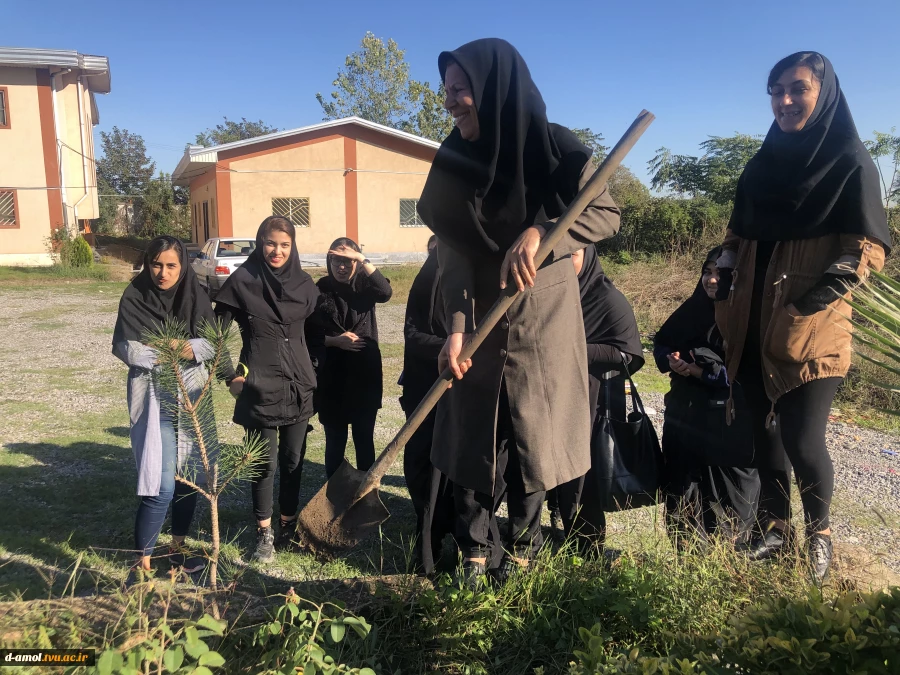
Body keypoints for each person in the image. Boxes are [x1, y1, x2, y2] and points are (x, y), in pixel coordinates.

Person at [416, 38, 621, 586]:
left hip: (542, 327)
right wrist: (456, 331)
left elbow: (605, 214)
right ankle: (475, 557)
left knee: (534, 439)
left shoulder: (557, 149)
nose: (451, 101)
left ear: (494, 88)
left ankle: (525, 555)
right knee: (474, 444)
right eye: (448, 90)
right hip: (480, 322)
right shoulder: (455, 159)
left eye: (461, 89)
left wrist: (543, 233)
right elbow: (455, 256)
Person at [714, 51, 890, 583]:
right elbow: (735, 236)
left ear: (824, 92)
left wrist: (802, 308)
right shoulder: (761, 165)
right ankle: (774, 529)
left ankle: (820, 536)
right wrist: (719, 269)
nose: (784, 101)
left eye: (797, 89)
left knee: (802, 438)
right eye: (775, 91)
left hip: (811, 333)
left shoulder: (850, 161)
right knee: (762, 435)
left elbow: (865, 249)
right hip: (747, 325)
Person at [214, 216, 320, 564]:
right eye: (270, 243)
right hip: (259, 384)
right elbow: (213, 333)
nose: (277, 250)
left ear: (293, 247)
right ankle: (263, 532)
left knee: (293, 461)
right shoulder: (243, 281)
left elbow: (316, 333)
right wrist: (230, 376)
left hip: (298, 385)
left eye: (284, 244)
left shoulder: (305, 284)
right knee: (264, 463)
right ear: (260, 243)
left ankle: (288, 524)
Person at [113, 235, 217, 584]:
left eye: (171, 265)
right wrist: (166, 350)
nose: (163, 272)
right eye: (156, 264)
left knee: (187, 477)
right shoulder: (135, 295)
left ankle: (178, 549)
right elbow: (125, 347)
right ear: (147, 263)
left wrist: (187, 348)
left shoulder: (195, 293)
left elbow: (211, 343)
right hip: (154, 393)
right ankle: (140, 562)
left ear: (182, 266)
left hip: (191, 394)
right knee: (160, 483)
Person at [654, 248, 760, 547]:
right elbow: (662, 343)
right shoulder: (693, 309)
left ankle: (727, 562)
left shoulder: (748, 317)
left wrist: (703, 374)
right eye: (707, 272)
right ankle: (686, 558)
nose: (712, 280)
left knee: (727, 496)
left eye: (720, 273)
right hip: (683, 414)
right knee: (681, 489)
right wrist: (673, 361)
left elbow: (749, 373)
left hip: (727, 420)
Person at [547, 247, 645, 547]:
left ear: (588, 257)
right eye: (559, 257)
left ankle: (587, 550)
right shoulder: (553, 294)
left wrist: (575, 348)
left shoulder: (607, 299)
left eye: (573, 255)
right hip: (553, 396)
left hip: (591, 403)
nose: (566, 263)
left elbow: (629, 354)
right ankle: (558, 529)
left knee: (583, 479)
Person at [310, 237, 392, 479]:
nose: (342, 267)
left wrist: (362, 258)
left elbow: (386, 292)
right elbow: (308, 334)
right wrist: (335, 341)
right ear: (329, 260)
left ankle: (364, 494)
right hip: (332, 374)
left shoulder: (366, 287)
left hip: (364, 374)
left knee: (364, 437)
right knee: (335, 439)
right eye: (337, 260)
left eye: (348, 261)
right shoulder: (320, 289)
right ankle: (334, 495)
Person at [400, 235, 454, 571]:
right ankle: (427, 535)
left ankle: (460, 538)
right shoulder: (427, 278)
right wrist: (448, 346)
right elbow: (411, 332)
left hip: (465, 390)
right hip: (424, 388)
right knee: (422, 463)